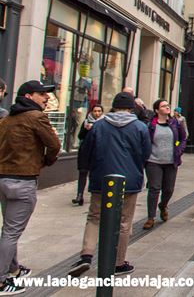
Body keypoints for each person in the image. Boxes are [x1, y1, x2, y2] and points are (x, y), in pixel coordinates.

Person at [69, 92, 151, 278]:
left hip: (101, 178)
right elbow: (146, 154)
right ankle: (118, 262)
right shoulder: (139, 127)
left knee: (94, 217)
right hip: (129, 180)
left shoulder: (98, 126)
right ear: (132, 108)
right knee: (123, 222)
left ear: (113, 106)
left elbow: (87, 150)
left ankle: (86, 256)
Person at [0, 80, 61, 294]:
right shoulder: (36, 117)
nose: (46, 97)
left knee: (8, 229)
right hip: (23, 180)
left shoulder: (7, 119)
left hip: (4, 179)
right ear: (28, 96)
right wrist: (45, 161)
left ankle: (13, 268)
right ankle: (1, 280)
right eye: (41, 94)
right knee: (11, 232)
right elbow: (54, 145)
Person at [143, 100, 187, 230]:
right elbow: (145, 141)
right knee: (154, 188)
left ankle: (163, 205)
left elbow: (183, 138)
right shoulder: (151, 125)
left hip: (171, 161)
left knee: (168, 189)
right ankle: (150, 217)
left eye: (168, 105)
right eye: (163, 106)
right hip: (153, 161)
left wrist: (179, 151)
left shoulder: (175, 123)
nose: (167, 107)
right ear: (157, 110)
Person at [73, 104, 105, 206]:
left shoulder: (104, 123)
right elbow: (80, 136)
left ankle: (94, 195)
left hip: (97, 151)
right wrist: (86, 129)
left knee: (94, 174)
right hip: (85, 151)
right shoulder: (86, 122)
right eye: (95, 111)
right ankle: (79, 195)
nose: (97, 113)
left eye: (99, 111)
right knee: (82, 172)